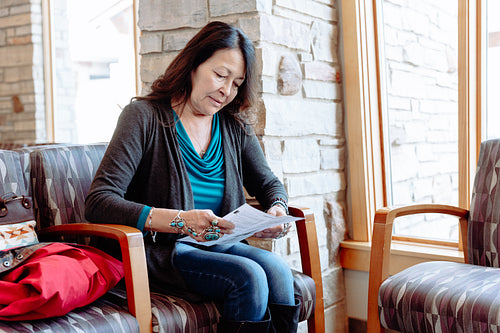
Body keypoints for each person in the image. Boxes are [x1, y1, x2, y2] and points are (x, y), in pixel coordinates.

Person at [85, 21, 300, 333]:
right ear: (193, 65)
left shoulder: (233, 127)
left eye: (236, 83)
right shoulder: (144, 117)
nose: (227, 90)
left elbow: (269, 185)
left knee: (279, 271)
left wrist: (277, 209)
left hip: (214, 245)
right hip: (158, 251)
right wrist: (180, 220)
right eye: (220, 75)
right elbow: (99, 202)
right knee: (249, 276)